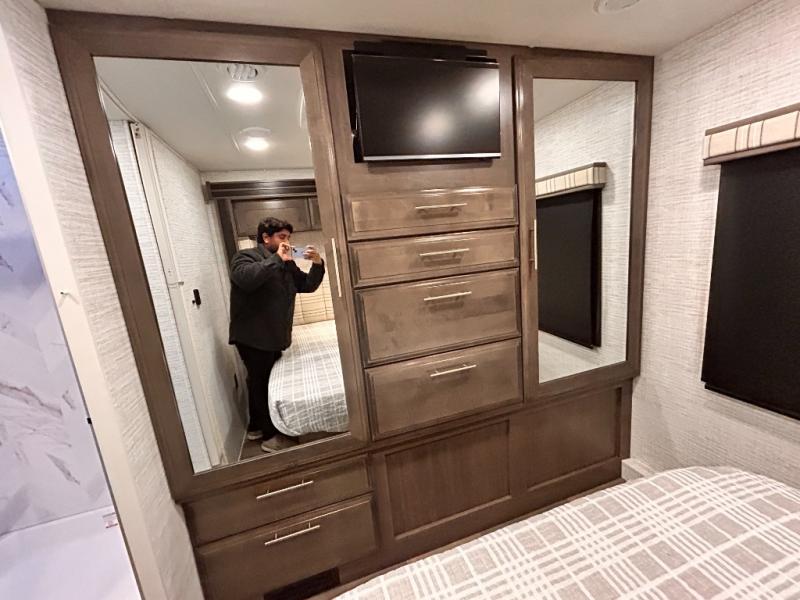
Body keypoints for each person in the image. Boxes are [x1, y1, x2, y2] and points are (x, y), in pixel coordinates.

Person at [228, 217, 325, 452]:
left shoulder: (286, 263)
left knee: (258, 381)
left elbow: (306, 285)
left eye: (289, 238)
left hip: (273, 335)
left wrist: (318, 263)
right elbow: (246, 279)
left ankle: (255, 427)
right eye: (282, 237)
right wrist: (277, 259)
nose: (287, 242)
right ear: (265, 237)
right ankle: (271, 437)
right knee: (263, 384)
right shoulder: (246, 257)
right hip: (253, 336)